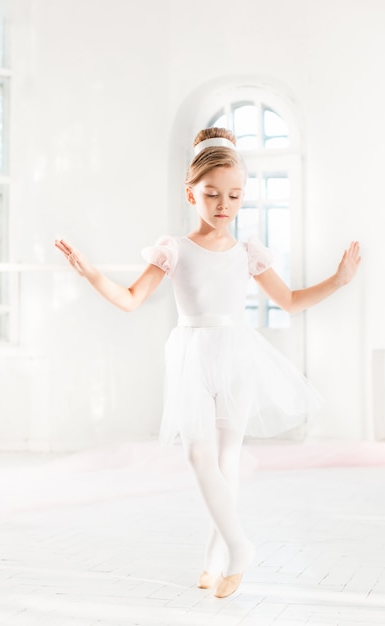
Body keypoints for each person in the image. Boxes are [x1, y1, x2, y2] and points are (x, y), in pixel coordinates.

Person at [55, 127, 361, 598]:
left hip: (236, 353)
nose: (224, 204)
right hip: (192, 352)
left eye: (234, 195)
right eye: (212, 194)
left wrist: (338, 281)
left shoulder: (247, 252)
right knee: (200, 454)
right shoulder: (173, 249)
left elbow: (293, 301)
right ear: (190, 193)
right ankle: (240, 548)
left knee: (227, 459)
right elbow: (132, 299)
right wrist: (91, 272)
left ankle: (215, 558)